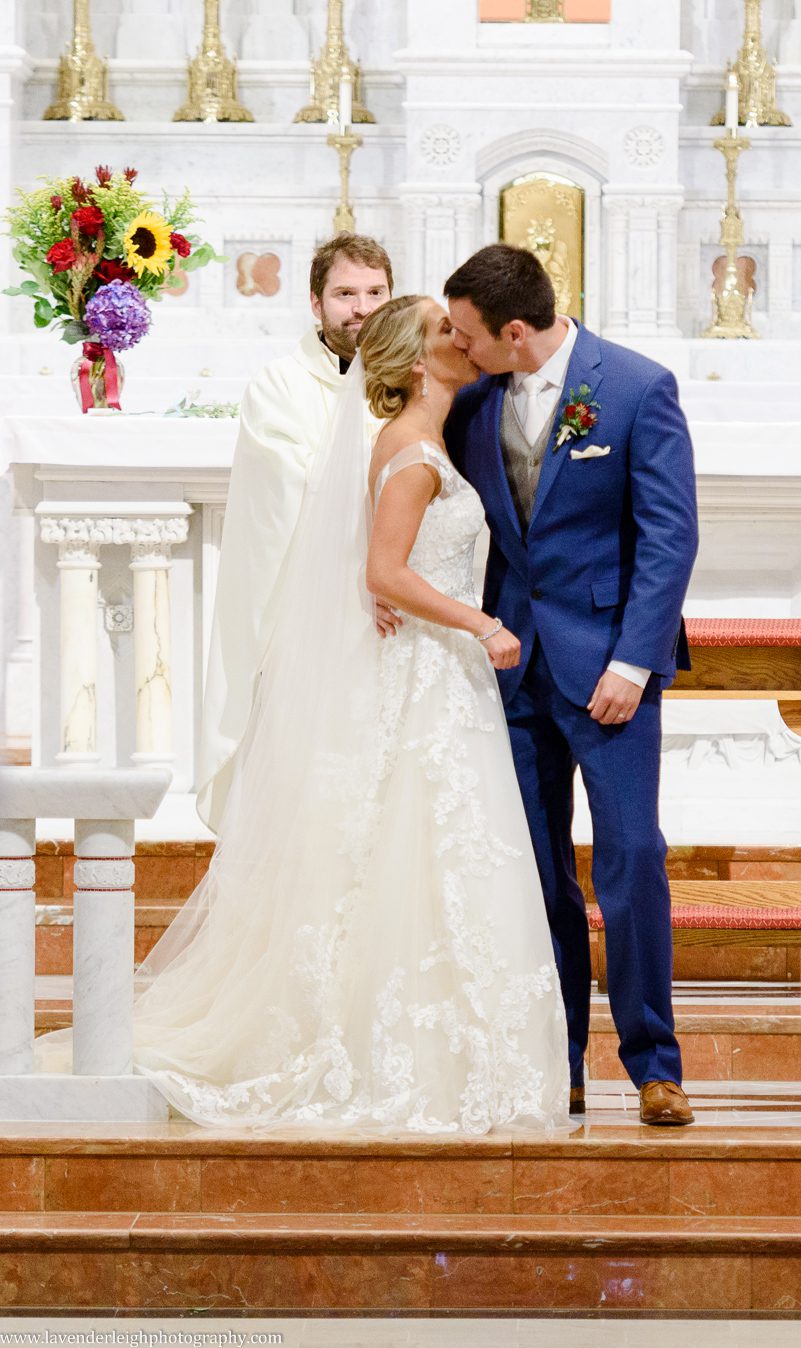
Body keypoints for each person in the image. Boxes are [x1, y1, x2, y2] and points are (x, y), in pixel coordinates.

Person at [35, 295, 570, 1135]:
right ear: (413, 360)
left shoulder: (422, 440)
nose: (461, 341)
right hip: (435, 669)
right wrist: (481, 622)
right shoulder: (413, 451)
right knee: (414, 849)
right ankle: (388, 1048)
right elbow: (386, 573)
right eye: (443, 333)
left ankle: (438, 1041)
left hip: (437, 676)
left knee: (428, 854)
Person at [443, 245, 699, 1125]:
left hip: (610, 669)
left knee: (630, 859)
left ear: (515, 331)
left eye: (469, 333)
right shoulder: (473, 403)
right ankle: (556, 1060)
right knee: (536, 873)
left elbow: (668, 538)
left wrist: (633, 661)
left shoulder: (634, 388)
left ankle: (654, 1064)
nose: (458, 345)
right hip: (513, 670)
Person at [197, 232, 393, 832]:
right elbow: (286, 495)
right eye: (345, 294)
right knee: (312, 773)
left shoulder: (411, 378)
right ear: (315, 303)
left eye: (375, 292)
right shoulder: (278, 385)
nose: (361, 307)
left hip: (398, 606)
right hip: (312, 610)